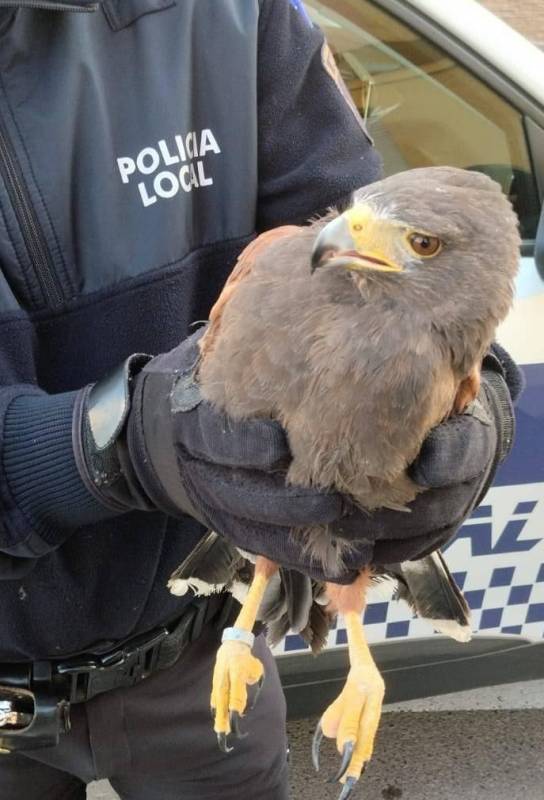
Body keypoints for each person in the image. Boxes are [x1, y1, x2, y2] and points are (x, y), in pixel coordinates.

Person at [0, 1, 522, 798]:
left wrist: (476, 405)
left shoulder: (234, 14)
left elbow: (411, 272)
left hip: (197, 658)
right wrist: (121, 446)